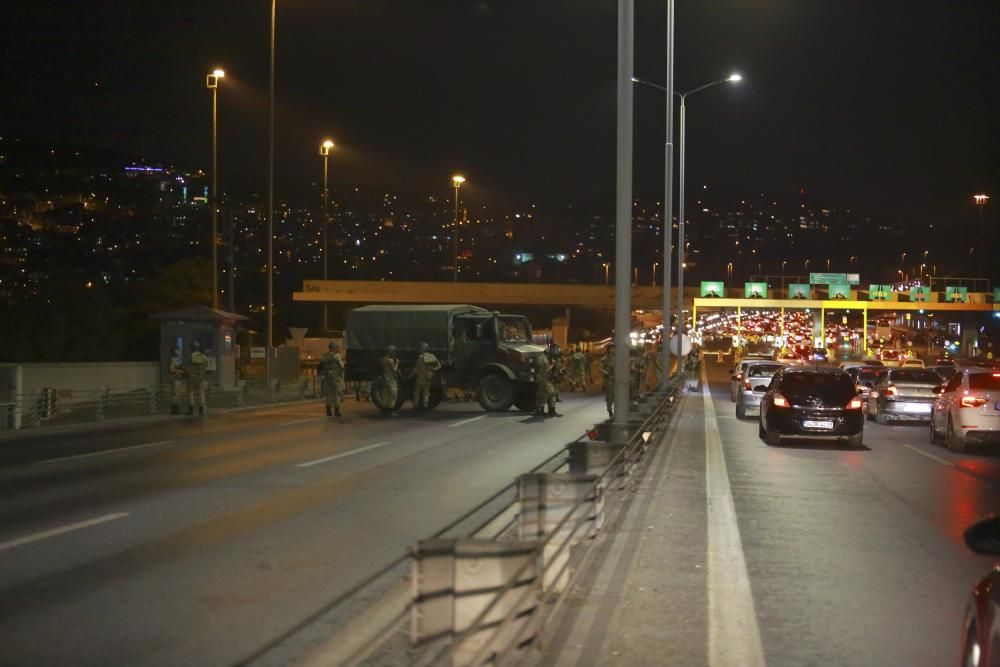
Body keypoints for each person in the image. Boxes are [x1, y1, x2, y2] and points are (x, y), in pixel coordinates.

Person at [411, 342, 442, 410]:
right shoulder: (432, 356)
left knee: (417, 392)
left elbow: (416, 368)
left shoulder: (421, 357)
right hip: (428, 377)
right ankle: (425, 405)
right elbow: (439, 365)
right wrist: (433, 369)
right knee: (426, 392)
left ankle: (416, 406)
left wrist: (411, 375)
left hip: (420, 377)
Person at [320, 341, 345, 417]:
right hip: (335, 377)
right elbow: (342, 366)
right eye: (337, 347)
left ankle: (328, 410)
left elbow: (321, 365)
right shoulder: (336, 356)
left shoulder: (325, 356)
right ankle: (336, 411)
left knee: (329, 395)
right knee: (337, 394)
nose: (338, 348)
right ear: (334, 348)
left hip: (327, 378)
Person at [187, 340, 207, 416]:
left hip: (191, 377)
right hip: (200, 377)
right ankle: (202, 409)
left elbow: (187, 366)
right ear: (198, 347)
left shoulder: (190, 356)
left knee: (190, 392)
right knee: (201, 392)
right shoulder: (203, 356)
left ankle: (191, 409)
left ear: (192, 348)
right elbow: (206, 365)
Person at [380, 345, 400, 415]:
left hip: (385, 378)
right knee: (393, 394)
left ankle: (384, 410)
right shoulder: (390, 360)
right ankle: (391, 410)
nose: (394, 353)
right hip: (391, 378)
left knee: (385, 394)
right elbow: (394, 370)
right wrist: (397, 363)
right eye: (393, 351)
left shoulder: (383, 359)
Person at [168, 345, 185, 415]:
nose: (178, 351)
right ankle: (175, 410)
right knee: (175, 394)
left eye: (178, 350)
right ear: (174, 351)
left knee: (175, 394)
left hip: (175, 378)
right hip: (175, 378)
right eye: (177, 350)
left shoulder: (176, 359)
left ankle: (174, 409)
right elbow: (171, 369)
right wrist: (180, 371)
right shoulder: (174, 359)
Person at [601, 343, 615, 419]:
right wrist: (606, 373)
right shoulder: (604, 359)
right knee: (610, 396)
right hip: (609, 379)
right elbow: (600, 368)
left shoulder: (617, 358)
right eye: (612, 348)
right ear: (608, 350)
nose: (613, 350)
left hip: (617, 379)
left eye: (614, 348)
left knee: (618, 395)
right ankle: (610, 410)